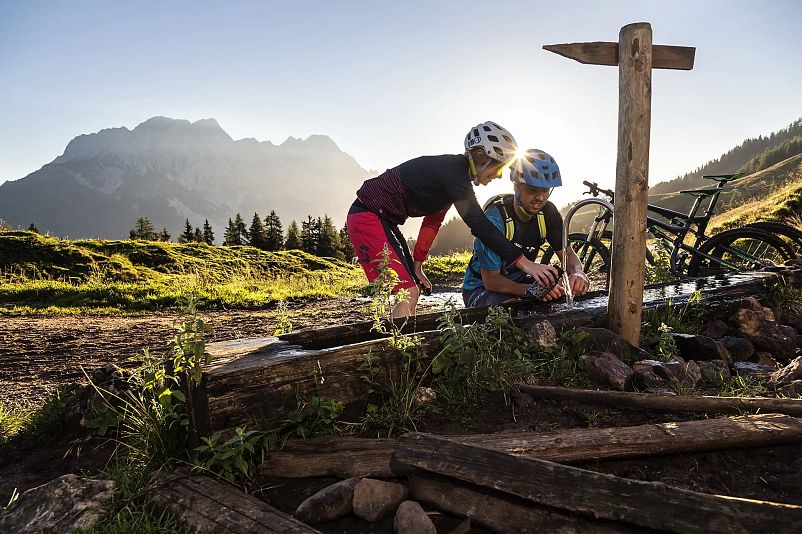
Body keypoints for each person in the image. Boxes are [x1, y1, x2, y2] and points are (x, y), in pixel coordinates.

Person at [347, 122, 561, 317]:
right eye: (500, 167)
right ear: (480, 157)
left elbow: (432, 222)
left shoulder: (450, 179)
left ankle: (405, 345)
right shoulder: (453, 174)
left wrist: (418, 264)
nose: (498, 176)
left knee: (412, 289)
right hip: (368, 217)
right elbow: (479, 224)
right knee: (408, 292)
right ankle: (397, 353)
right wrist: (526, 265)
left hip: (382, 219)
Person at [462, 149, 590, 308]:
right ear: (516, 186)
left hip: (519, 282)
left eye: (545, 190)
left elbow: (568, 254)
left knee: (557, 302)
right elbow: (491, 281)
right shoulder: (495, 219)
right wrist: (531, 290)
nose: (540, 198)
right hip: (480, 287)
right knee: (512, 313)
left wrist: (578, 272)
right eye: (532, 190)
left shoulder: (548, 214)